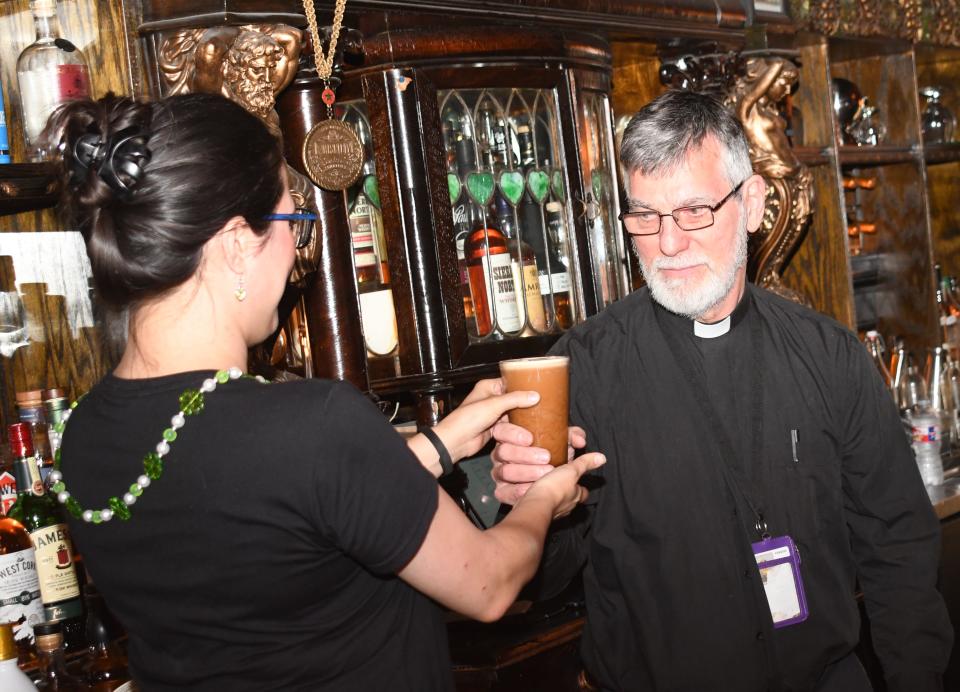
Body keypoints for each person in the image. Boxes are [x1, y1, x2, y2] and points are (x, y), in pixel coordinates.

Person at [43, 92, 604, 691]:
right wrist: (545, 497)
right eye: (292, 223)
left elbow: (271, 521)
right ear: (237, 243)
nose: (295, 253)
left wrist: (436, 446)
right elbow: (488, 586)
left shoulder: (80, 434)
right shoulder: (313, 425)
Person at [492, 90, 952, 692]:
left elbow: (899, 551)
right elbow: (539, 581)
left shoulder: (829, 356)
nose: (669, 244)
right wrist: (533, 504)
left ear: (753, 201)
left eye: (693, 211)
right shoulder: (583, 369)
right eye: (645, 217)